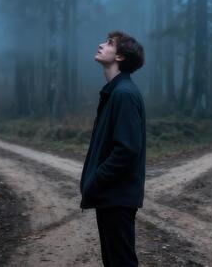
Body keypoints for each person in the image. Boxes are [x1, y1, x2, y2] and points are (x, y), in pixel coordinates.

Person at [80, 30, 146, 267]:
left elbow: (127, 150)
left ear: (120, 56)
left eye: (108, 43)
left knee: (121, 262)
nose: (101, 45)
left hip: (117, 195)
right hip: (112, 195)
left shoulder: (124, 94)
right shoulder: (115, 92)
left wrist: (96, 180)